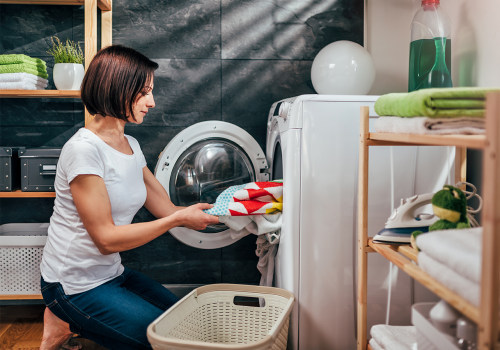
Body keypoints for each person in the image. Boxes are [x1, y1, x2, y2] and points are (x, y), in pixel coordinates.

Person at [39, 45, 219, 350]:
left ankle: (63, 324)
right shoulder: (84, 150)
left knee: (186, 325)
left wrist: (233, 209)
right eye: (144, 92)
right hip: (72, 285)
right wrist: (177, 219)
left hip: (110, 274)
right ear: (118, 89)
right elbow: (106, 239)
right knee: (164, 343)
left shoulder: (131, 145)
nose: (152, 101)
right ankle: (63, 317)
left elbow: (166, 209)